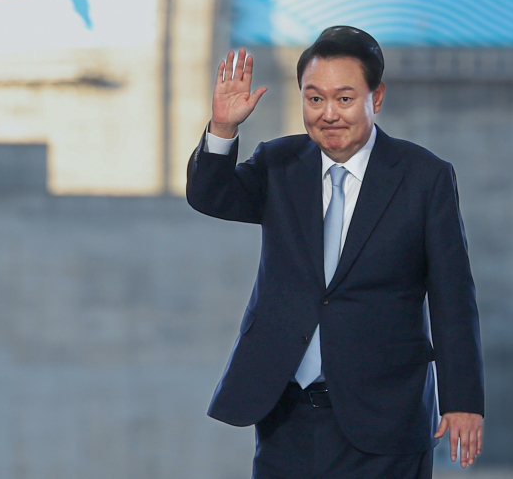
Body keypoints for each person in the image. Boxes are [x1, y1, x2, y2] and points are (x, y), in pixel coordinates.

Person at [186, 25, 484, 478]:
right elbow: (211, 196)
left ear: (376, 98)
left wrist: (462, 402)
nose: (328, 114)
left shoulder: (424, 177)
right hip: (287, 415)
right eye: (314, 98)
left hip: (385, 418)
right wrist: (224, 128)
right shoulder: (279, 164)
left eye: (344, 99)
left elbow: (453, 298)